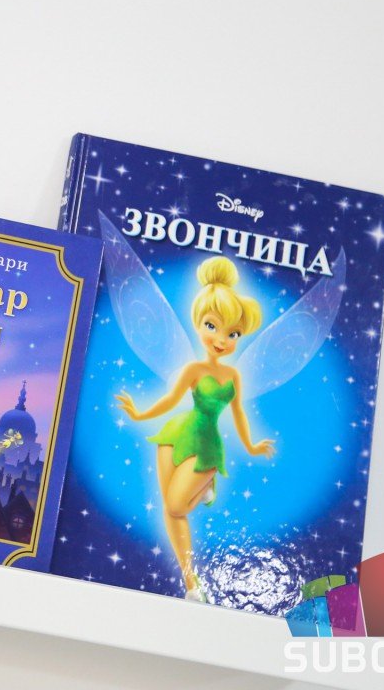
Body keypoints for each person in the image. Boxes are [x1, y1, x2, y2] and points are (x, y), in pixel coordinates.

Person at [115, 257, 275, 601]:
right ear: (198, 323)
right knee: (169, 509)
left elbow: (238, 413)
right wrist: (140, 414)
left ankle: (206, 485)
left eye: (233, 334)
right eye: (212, 326)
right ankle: (191, 584)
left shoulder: (232, 376)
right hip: (175, 435)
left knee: (177, 507)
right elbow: (171, 400)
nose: (221, 340)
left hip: (207, 445)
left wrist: (250, 445)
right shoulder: (194, 370)